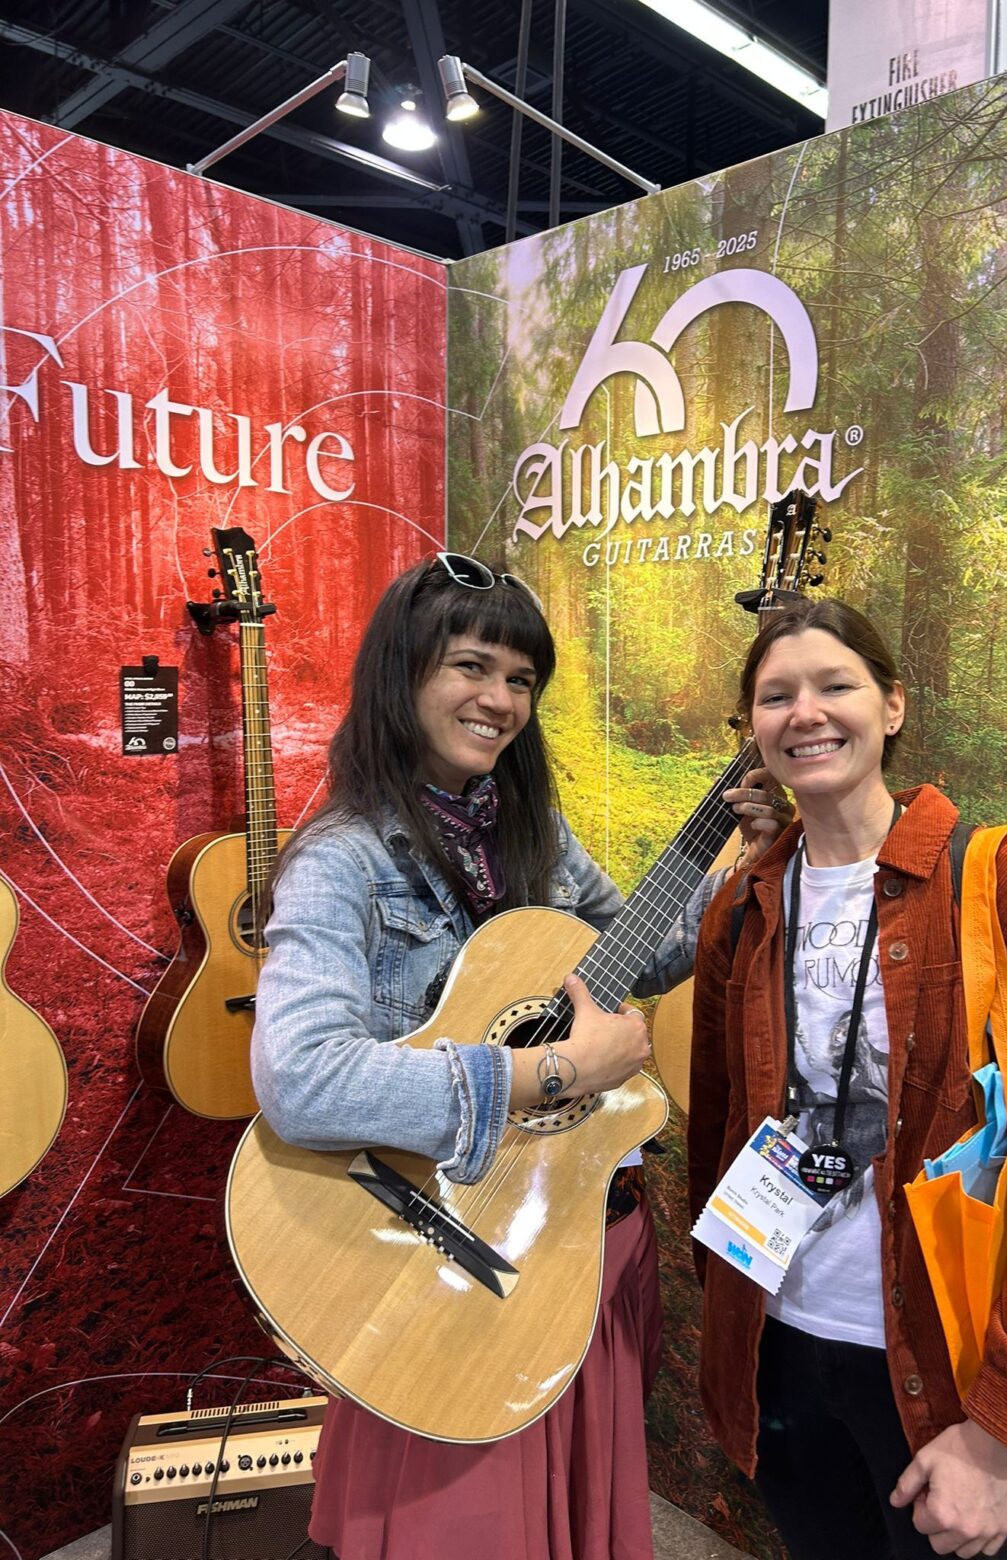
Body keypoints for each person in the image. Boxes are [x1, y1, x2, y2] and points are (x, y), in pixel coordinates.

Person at [251, 550, 786, 1560]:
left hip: (568, 1226)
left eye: (521, 679)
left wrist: (743, 875)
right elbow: (301, 1079)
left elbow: (643, 950)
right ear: (403, 673)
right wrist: (553, 1073)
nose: (499, 699)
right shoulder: (343, 857)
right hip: (435, 1245)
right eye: (470, 667)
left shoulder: (532, 831)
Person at [687, 596, 1007, 1560]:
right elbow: (718, 1136)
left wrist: (1004, 1428)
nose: (804, 713)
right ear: (752, 730)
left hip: (942, 1373)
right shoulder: (742, 905)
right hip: (782, 1351)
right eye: (775, 696)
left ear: (890, 707)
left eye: (833, 686)